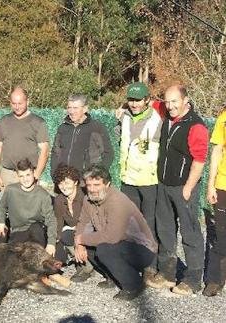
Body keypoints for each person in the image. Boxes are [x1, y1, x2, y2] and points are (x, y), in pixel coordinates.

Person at [146, 85, 208, 296]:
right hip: (164, 184)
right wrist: (124, 108)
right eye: (167, 102)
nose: (170, 106)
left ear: (185, 101)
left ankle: (192, 279)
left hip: (184, 187)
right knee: (165, 230)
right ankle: (167, 273)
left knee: (190, 233)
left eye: (175, 101)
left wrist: (189, 187)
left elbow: (199, 161)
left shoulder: (196, 126)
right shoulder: (166, 113)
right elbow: (149, 103)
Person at [74, 165, 157, 301]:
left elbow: (112, 236)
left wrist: (80, 239)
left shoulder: (117, 201)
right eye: (89, 185)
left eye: (97, 185)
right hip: (119, 244)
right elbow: (83, 223)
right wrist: (79, 244)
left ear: (107, 184)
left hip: (141, 250)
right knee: (92, 247)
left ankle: (134, 285)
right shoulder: (88, 199)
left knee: (104, 249)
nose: (92, 189)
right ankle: (113, 277)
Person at [116, 82, 164, 280]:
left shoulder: (157, 120)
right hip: (128, 179)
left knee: (148, 223)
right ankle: (134, 260)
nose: (134, 104)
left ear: (147, 100)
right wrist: (118, 120)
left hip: (149, 180)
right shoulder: (125, 117)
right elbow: (121, 138)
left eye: (138, 100)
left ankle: (150, 266)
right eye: (131, 100)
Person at [0, 159, 57, 256]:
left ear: (34, 173)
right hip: (18, 230)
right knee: (14, 256)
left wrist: (51, 243)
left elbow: (51, 219)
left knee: (36, 236)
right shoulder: (11, 190)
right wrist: (0, 221)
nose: (25, 179)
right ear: (17, 176)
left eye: (28, 175)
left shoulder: (42, 194)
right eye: (21, 176)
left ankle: (39, 259)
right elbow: (1, 207)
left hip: (36, 230)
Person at [0, 87, 50, 190]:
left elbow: (44, 151)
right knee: (7, 205)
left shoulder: (38, 122)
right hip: (7, 174)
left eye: (20, 103)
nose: (17, 107)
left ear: (27, 102)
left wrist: (36, 175)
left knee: (29, 205)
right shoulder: (4, 121)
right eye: (14, 104)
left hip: (28, 175)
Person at [50, 94, 113, 175]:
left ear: (85, 109)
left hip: (85, 181)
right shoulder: (63, 128)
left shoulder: (96, 128)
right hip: (63, 179)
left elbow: (108, 153)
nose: (71, 111)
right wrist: (54, 173)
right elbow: (55, 152)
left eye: (75, 108)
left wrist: (96, 175)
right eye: (69, 107)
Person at [52, 165, 94, 282]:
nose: (64, 187)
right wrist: (54, 240)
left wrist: (78, 237)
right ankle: (83, 265)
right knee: (63, 235)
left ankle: (86, 265)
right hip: (74, 230)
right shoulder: (59, 200)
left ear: (75, 182)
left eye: (67, 183)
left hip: (89, 230)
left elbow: (91, 221)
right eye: (60, 184)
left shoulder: (85, 197)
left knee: (72, 234)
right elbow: (58, 221)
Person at [205, 102, 226, 296]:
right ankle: (215, 279)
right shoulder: (223, 117)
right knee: (221, 235)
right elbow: (217, 150)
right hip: (223, 184)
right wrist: (211, 183)